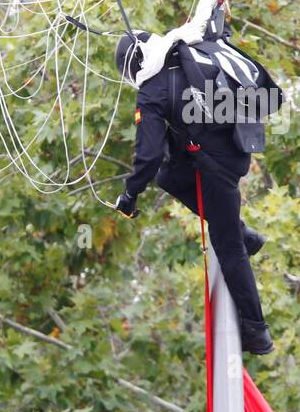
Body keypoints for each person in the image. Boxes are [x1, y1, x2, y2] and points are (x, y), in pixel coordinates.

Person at [111, 25, 278, 356]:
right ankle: (245, 234)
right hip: (238, 140)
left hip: (219, 164)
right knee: (169, 177)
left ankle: (257, 332)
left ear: (133, 66)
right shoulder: (185, 48)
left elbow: (148, 155)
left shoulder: (151, 89)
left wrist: (129, 195)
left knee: (226, 245)